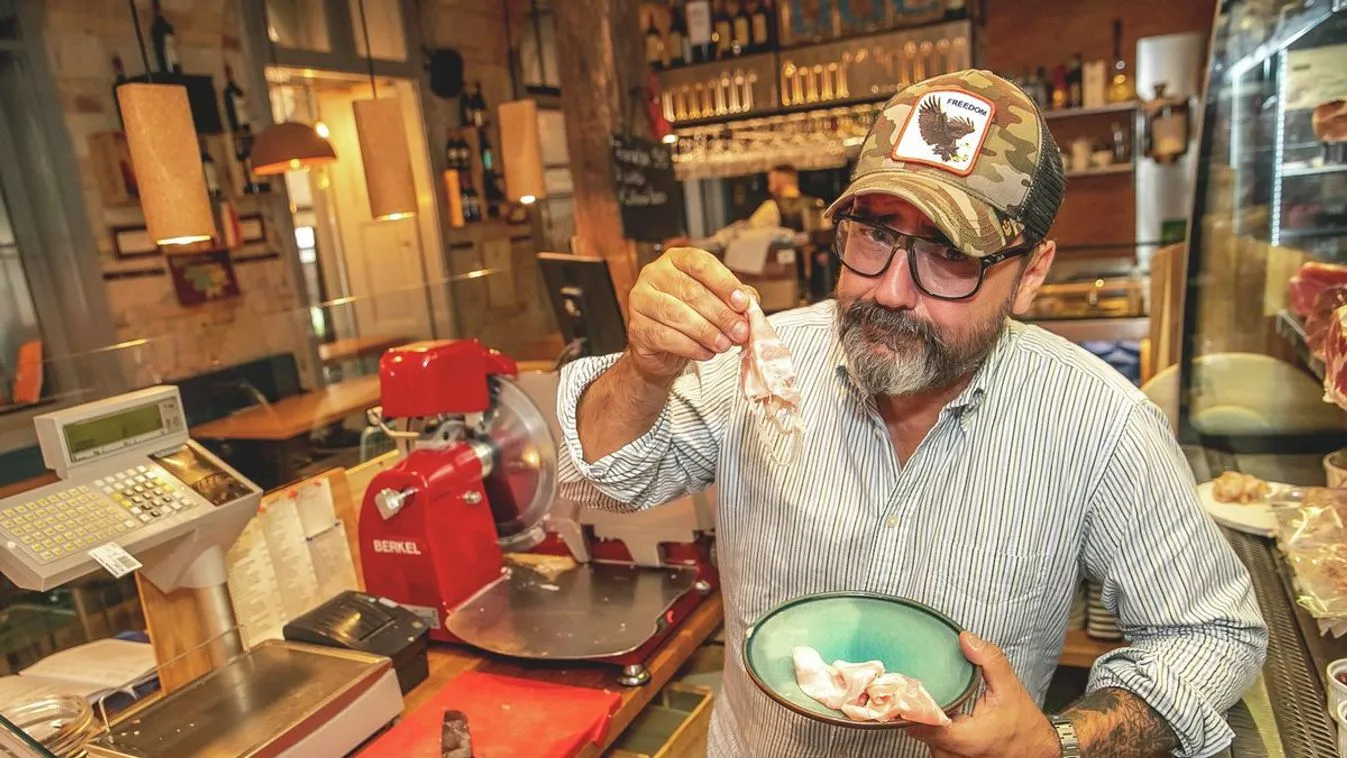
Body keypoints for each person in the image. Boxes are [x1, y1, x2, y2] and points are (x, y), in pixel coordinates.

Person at [556, 70, 1267, 758]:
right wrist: (643, 370)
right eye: (873, 233)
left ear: (1032, 272)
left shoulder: (1098, 423)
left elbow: (1211, 632)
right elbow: (602, 482)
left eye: (950, 253)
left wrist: (1060, 741)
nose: (891, 290)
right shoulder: (761, 361)